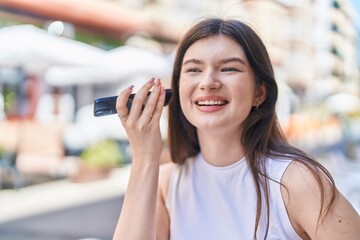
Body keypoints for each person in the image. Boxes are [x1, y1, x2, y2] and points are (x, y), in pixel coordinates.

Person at [113, 18, 360, 240]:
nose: (208, 82)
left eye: (228, 68)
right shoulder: (166, 185)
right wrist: (145, 156)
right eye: (194, 70)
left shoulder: (296, 182)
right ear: (177, 90)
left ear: (259, 93)